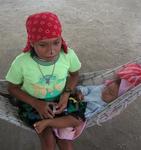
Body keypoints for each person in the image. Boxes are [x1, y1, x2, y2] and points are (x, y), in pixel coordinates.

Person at [5, 12, 81, 150]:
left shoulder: (68, 55)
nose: (51, 51)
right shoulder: (22, 62)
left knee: (67, 145)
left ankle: (53, 123)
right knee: (48, 142)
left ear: (61, 38)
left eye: (56, 42)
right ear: (32, 43)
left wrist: (66, 94)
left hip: (61, 101)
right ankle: (49, 125)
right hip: (32, 103)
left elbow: (75, 75)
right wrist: (36, 103)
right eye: (43, 45)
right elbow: (12, 88)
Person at [34, 78, 121, 135]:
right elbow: (87, 89)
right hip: (75, 101)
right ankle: (42, 105)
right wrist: (81, 92)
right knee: (62, 99)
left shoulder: (107, 107)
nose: (106, 92)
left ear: (116, 100)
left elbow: (91, 116)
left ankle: (48, 122)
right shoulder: (100, 89)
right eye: (107, 88)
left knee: (76, 120)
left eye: (110, 93)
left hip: (78, 113)